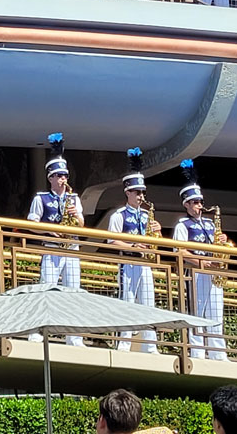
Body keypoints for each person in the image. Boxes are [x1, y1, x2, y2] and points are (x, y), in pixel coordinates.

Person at [27, 132, 85, 346]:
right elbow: (32, 224)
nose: (63, 180)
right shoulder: (41, 198)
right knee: (46, 289)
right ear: (50, 177)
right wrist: (50, 231)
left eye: (65, 176)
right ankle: (37, 331)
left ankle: (74, 336)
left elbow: (81, 226)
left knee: (73, 292)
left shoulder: (73, 198)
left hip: (71, 249)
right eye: (59, 176)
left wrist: (75, 214)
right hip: (52, 247)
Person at [106, 147, 162, 353]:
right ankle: (124, 344)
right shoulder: (118, 214)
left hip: (145, 264)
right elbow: (112, 240)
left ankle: (150, 345)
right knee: (127, 301)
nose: (141, 196)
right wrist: (132, 246)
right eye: (137, 192)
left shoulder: (148, 215)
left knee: (148, 302)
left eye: (143, 193)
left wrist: (158, 233)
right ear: (128, 192)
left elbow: (156, 244)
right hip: (128, 263)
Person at [172, 159, 229, 360]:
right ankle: (197, 351)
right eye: (195, 202)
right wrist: (201, 263)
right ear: (186, 204)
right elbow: (180, 250)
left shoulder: (210, 224)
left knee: (215, 312)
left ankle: (217, 351)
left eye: (201, 202)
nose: (200, 206)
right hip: (195, 272)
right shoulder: (183, 224)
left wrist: (223, 242)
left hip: (212, 273)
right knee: (196, 311)